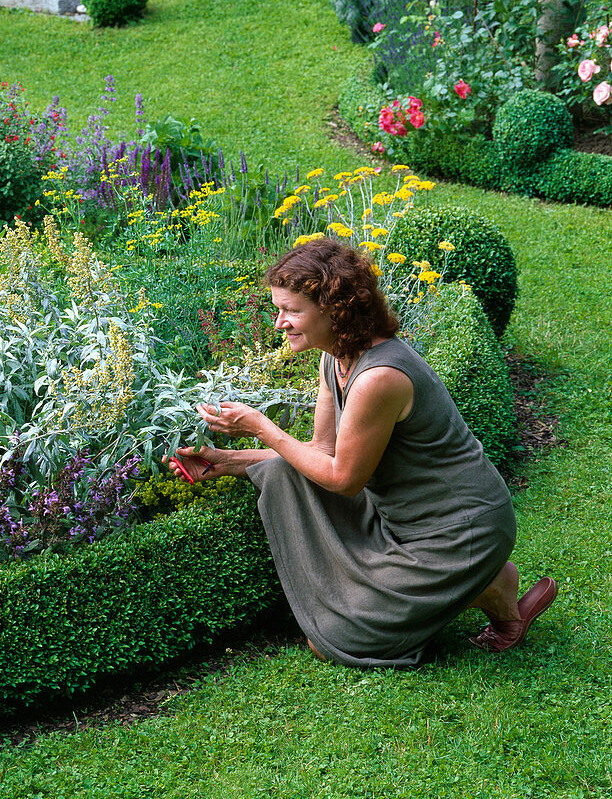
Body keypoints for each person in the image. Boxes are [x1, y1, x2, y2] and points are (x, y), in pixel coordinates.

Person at [168, 238, 557, 668]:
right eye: (278, 309)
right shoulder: (336, 358)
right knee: (284, 475)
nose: (279, 322)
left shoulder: (380, 377)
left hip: (460, 530)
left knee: (334, 638)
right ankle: (487, 587)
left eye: (291, 310)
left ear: (334, 309)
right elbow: (320, 453)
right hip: (405, 522)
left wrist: (261, 427)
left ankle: (475, 578)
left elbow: (343, 479)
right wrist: (228, 462)